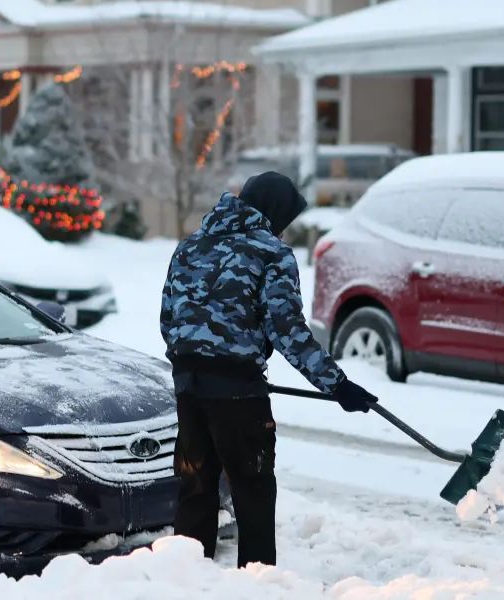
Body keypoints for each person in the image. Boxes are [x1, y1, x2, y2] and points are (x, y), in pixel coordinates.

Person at [159, 171, 378, 568]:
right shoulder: (270, 252)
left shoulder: (190, 246)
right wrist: (337, 385)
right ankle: (256, 586)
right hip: (240, 397)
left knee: (196, 491)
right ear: (276, 212)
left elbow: (170, 320)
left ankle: (184, 582)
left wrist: (202, 363)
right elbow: (287, 330)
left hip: (188, 390)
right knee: (253, 492)